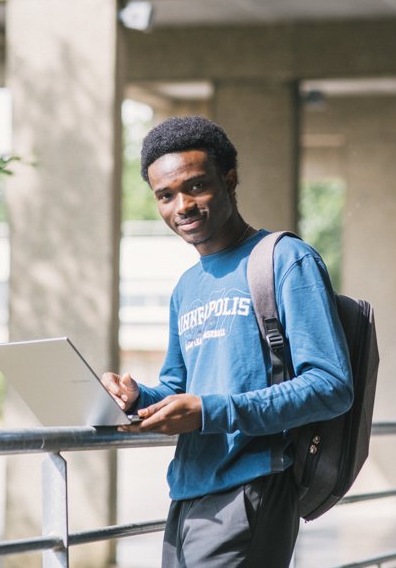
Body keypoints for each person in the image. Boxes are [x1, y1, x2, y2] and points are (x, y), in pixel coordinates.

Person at [102, 115, 353, 567]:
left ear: (230, 180)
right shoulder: (187, 286)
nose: (182, 206)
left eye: (195, 187)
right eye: (165, 195)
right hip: (187, 492)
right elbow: (179, 387)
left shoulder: (284, 260)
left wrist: (211, 412)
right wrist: (139, 396)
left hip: (252, 486)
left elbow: (332, 385)